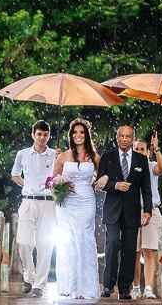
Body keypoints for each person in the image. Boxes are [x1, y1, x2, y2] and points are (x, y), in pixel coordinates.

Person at [95, 125, 152, 300]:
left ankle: (124, 288)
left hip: (132, 212)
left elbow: (146, 188)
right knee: (112, 245)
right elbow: (99, 182)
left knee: (129, 250)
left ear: (132, 138)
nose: (125, 139)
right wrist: (115, 185)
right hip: (112, 210)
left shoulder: (141, 160)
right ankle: (108, 285)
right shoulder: (108, 156)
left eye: (128, 136)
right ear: (117, 137)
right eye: (122, 136)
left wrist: (148, 210)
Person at [52, 117, 104, 299]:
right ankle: (69, 285)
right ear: (70, 135)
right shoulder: (62, 156)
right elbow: (51, 181)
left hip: (86, 201)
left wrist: (101, 180)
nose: (78, 135)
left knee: (85, 240)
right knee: (67, 242)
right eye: (75, 132)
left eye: (82, 132)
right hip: (67, 203)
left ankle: (86, 288)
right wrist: (60, 184)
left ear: (87, 135)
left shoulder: (95, 157)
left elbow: (104, 176)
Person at [11, 120, 57, 298]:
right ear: (33, 135)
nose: (42, 138)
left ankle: (39, 284)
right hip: (28, 201)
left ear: (49, 136)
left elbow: (61, 175)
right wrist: (27, 185)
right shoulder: (22, 154)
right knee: (23, 242)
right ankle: (29, 276)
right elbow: (15, 174)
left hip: (48, 202)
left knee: (45, 244)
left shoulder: (55, 154)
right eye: (39, 134)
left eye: (45, 135)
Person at [131, 132, 162, 299]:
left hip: (150, 211)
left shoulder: (152, 165)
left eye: (142, 149)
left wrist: (156, 148)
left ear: (147, 151)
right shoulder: (128, 167)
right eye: (136, 148)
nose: (138, 151)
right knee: (134, 253)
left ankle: (149, 288)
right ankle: (136, 286)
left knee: (149, 251)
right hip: (132, 212)